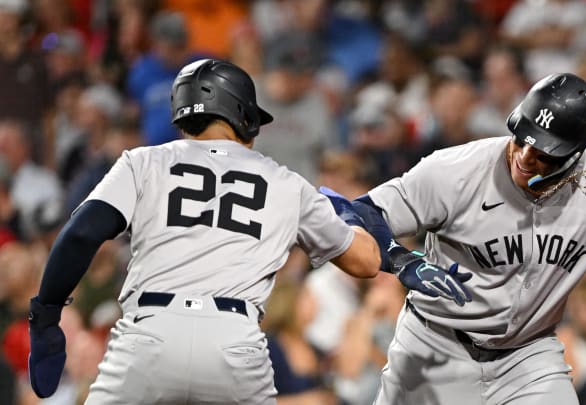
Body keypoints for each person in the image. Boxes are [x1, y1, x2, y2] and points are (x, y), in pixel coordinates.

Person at [322, 73, 586, 404]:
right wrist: (399, 259)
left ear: (575, 154)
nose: (525, 155)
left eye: (543, 151)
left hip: (529, 358)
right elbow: (360, 211)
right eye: (522, 138)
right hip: (435, 346)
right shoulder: (456, 170)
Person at [26, 58, 382, 404]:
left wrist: (46, 314)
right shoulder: (287, 183)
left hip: (149, 335)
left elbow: (80, 234)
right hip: (234, 344)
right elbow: (365, 263)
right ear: (244, 116)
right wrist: (347, 215)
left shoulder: (143, 161)